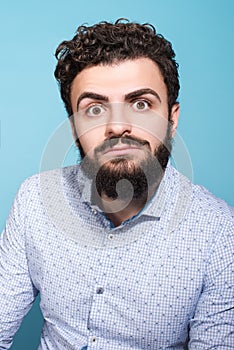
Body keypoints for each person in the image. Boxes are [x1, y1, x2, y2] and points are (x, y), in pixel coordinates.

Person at [0, 19, 233, 350]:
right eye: (94, 109)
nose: (118, 126)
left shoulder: (219, 231)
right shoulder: (35, 200)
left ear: (172, 118)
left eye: (141, 104)